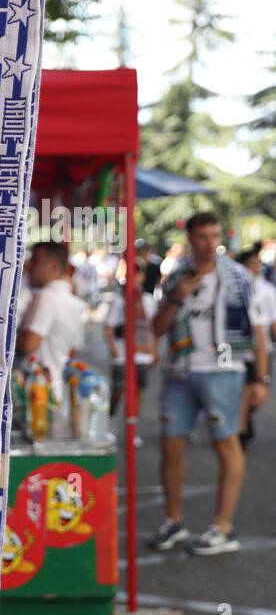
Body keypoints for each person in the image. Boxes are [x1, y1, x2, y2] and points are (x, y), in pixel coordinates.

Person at [148, 213, 269, 556]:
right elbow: (156, 329)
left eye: (214, 235)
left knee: (226, 444)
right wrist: (176, 297)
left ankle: (222, 527)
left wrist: (261, 379)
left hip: (225, 370)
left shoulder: (240, 277)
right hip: (180, 372)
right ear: (190, 238)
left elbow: (258, 332)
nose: (209, 243)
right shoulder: (176, 277)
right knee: (172, 446)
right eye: (202, 236)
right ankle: (174, 521)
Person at [16, 241, 86, 396]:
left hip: (37, 394)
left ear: (54, 267)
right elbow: (74, 346)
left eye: (35, 261)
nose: (29, 267)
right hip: (55, 389)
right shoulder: (74, 301)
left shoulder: (46, 297)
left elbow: (28, 344)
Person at [103, 258, 158, 414]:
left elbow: (151, 328)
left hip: (141, 353)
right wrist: (113, 347)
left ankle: (132, 425)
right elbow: (109, 327)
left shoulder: (148, 300)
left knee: (137, 391)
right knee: (119, 389)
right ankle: (110, 415)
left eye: (137, 273)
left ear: (143, 276)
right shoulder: (118, 299)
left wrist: (153, 350)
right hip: (122, 352)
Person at [238, 244, 276, 446]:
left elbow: (269, 324)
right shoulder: (235, 286)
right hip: (240, 352)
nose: (256, 267)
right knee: (244, 392)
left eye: (257, 263)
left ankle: (245, 420)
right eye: (251, 263)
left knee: (258, 394)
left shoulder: (267, 289)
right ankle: (241, 431)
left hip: (262, 348)